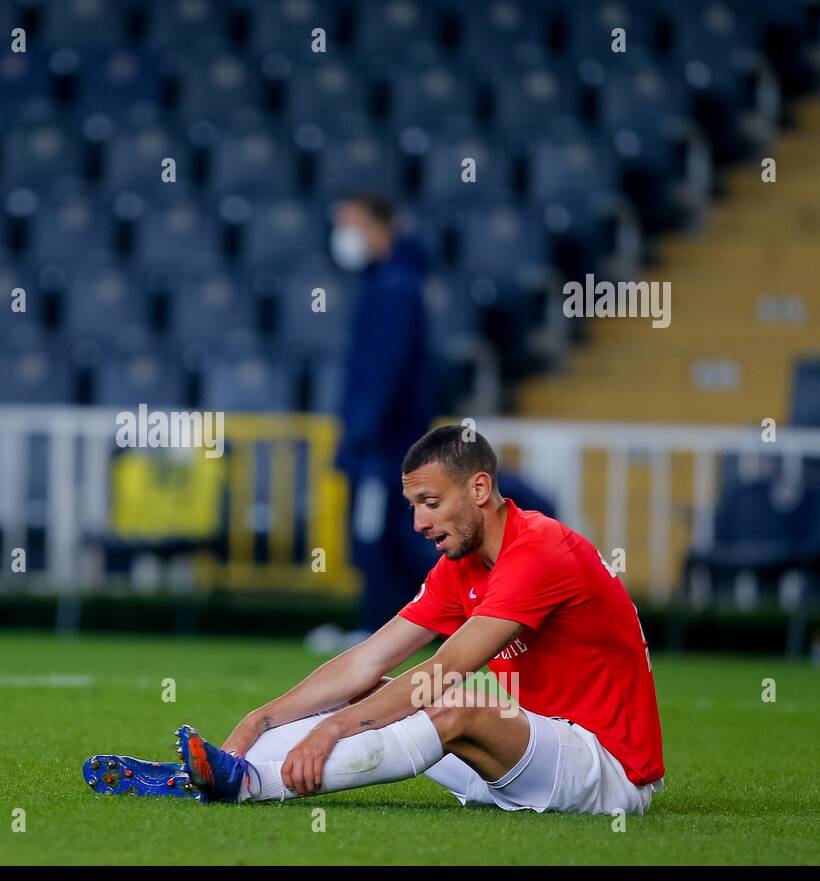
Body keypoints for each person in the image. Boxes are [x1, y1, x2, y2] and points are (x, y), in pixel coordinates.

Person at [85, 425, 666, 816]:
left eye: (430, 504)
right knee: (376, 689)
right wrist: (262, 718)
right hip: (527, 749)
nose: (417, 523)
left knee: (449, 697)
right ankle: (226, 767)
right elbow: (367, 660)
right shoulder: (459, 563)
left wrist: (332, 730)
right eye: (413, 505)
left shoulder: (539, 549)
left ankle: (251, 785)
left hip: (608, 772)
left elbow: (446, 671)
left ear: (481, 489)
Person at [307, 194, 436, 653]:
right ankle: (392, 631)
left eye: (351, 224)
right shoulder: (390, 284)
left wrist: (363, 433)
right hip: (388, 440)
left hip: (386, 445)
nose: (342, 236)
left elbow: (383, 370)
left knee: (378, 537)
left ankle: (381, 631)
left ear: (379, 229)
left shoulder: (393, 288)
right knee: (385, 534)